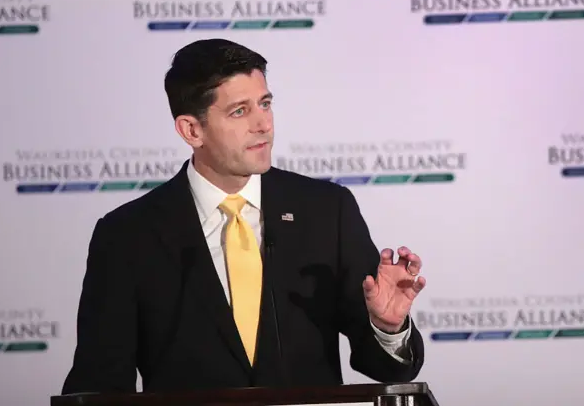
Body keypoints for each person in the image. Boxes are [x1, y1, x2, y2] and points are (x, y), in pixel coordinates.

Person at [61, 38, 427, 394]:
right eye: (239, 111)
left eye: (265, 104)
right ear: (192, 130)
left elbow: (386, 368)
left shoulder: (326, 211)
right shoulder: (128, 236)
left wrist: (387, 327)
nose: (263, 125)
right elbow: (99, 384)